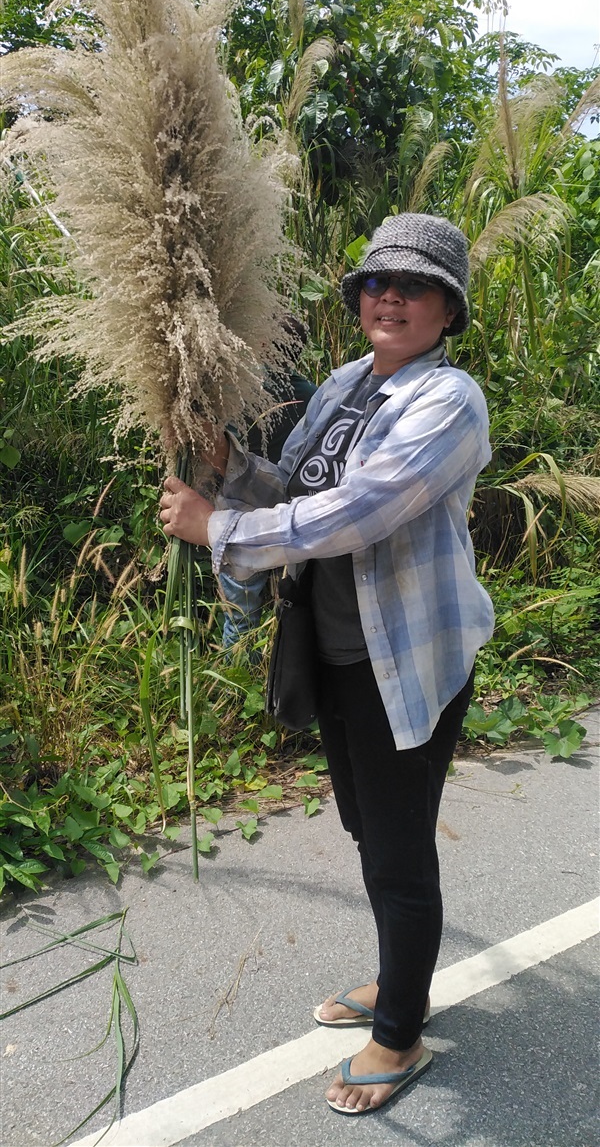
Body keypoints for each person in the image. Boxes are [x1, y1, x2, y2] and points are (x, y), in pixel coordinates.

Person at [159, 213, 495, 1116]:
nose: (391, 296)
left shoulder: (449, 402)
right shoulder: (347, 385)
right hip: (337, 649)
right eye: (378, 283)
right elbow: (298, 494)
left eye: (415, 286)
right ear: (359, 301)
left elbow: (360, 513)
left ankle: (401, 1030)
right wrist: (230, 467)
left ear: (447, 310)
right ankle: (399, 978)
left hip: (407, 659)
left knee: (396, 848)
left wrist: (218, 528)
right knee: (367, 828)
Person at [219, 315, 317, 656]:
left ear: (263, 342)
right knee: (286, 605)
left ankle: (235, 682)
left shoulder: (238, 390)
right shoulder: (312, 396)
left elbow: (219, 448)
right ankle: (276, 673)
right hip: (291, 515)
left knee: (240, 615)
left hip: (237, 515)